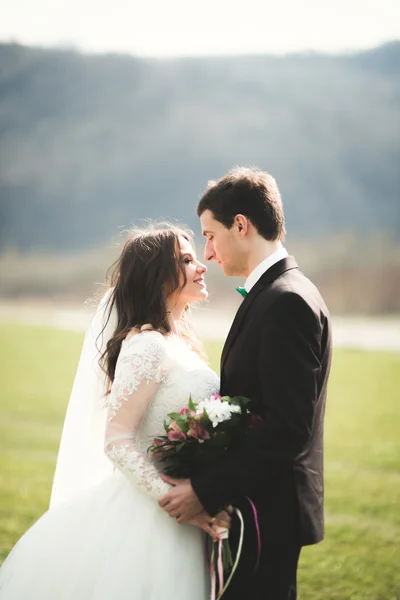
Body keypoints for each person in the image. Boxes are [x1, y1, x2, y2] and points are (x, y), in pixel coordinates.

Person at [0, 225, 229, 599]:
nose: (201, 266)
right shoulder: (146, 346)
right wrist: (171, 498)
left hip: (186, 505)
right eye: (186, 260)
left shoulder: (180, 344)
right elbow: (118, 439)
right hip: (152, 514)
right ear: (157, 276)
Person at [159, 168, 332, 600]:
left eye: (210, 235)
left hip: (268, 510)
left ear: (241, 225)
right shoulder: (275, 293)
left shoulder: (286, 301)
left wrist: (204, 489)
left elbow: (288, 427)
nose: (208, 252)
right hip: (259, 505)